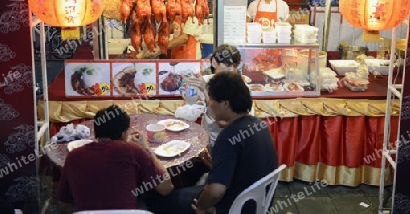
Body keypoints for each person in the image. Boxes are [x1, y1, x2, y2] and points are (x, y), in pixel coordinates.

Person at [146, 71, 278, 214]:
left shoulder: (228, 137)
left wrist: (202, 207)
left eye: (211, 99)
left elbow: (216, 191)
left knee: (161, 200)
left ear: (226, 104)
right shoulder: (260, 125)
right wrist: (216, 165)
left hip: (233, 207)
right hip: (257, 203)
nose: (209, 104)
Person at [56, 105, 173, 213]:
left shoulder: (73, 156)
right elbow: (166, 188)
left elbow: (63, 203)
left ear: (96, 131)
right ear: (123, 134)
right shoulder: (132, 150)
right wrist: (146, 149)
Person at [186, 44, 248, 147]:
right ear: (214, 63)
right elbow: (191, 109)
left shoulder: (241, 88)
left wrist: (205, 91)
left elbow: (222, 120)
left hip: (234, 143)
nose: (232, 70)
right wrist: (189, 98)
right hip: (207, 140)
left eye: (235, 66)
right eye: (228, 65)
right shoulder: (204, 81)